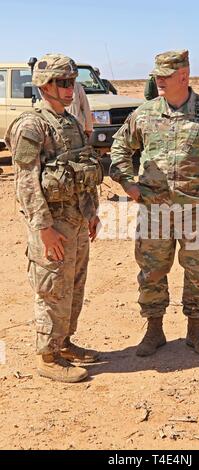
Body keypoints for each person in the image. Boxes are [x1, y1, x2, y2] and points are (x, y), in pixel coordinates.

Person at [110, 50, 199, 357]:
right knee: (151, 272)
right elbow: (119, 147)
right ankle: (154, 330)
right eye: (156, 76)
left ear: (184, 76)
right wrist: (127, 182)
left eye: (165, 76)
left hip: (197, 212)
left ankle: (196, 330)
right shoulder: (145, 114)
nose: (159, 81)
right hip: (155, 211)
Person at [5, 54, 103, 383]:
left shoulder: (71, 123)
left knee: (73, 285)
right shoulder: (32, 125)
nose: (70, 88)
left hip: (75, 220)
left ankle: (64, 343)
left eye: (72, 81)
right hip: (52, 225)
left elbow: (82, 170)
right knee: (52, 288)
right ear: (45, 86)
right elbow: (27, 182)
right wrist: (44, 229)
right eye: (63, 82)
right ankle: (47, 355)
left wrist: (91, 214)